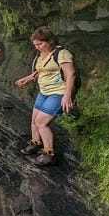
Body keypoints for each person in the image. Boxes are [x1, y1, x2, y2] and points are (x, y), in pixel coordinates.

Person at [15, 26, 75, 166]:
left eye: (40, 44)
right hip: (44, 92)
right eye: (35, 45)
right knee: (34, 119)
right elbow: (41, 70)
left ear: (50, 41)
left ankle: (49, 154)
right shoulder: (41, 55)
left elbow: (70, 74)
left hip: (58, 93)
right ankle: (35, 143)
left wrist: (67, 95)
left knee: (41, 122)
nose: (37, 47)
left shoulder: (61, 53)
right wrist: (28, 78)